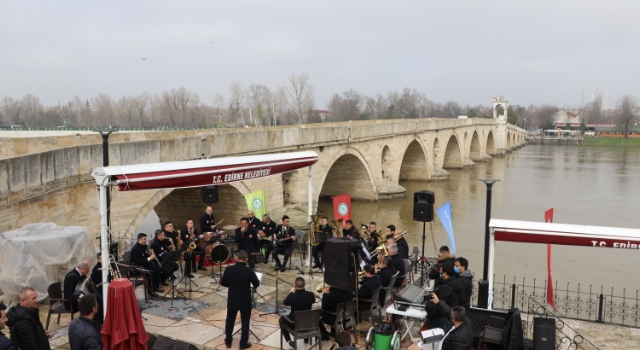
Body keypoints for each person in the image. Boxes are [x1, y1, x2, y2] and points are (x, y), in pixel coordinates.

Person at [221, 250, 260, 349]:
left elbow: (223, 283)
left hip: (233, 298)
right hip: (245, 300)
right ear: (246, 259)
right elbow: (256, 284)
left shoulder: (229, 269)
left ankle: (228, 341)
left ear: (236, 258)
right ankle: (243, 344)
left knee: (230, 320)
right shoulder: (249, 271)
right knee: (245, 321)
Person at [280, 277, 316, 348]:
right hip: (308, 323)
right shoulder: (311, 295)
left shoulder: (292, 296)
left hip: (294, 324)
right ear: (304, 284)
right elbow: (313, 301)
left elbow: (285, 303)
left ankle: (289, 340)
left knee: (281, 320)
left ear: (295, 285)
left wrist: (291, 292)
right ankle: (306, 339)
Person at [425, 264, 459, 332]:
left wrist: (431, 315)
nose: (440, 273)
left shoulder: (446, 288)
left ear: (445, 273)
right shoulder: (453, 283)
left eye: (441, 272)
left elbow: (441, 305)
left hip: (441, 318)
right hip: (443, 316)